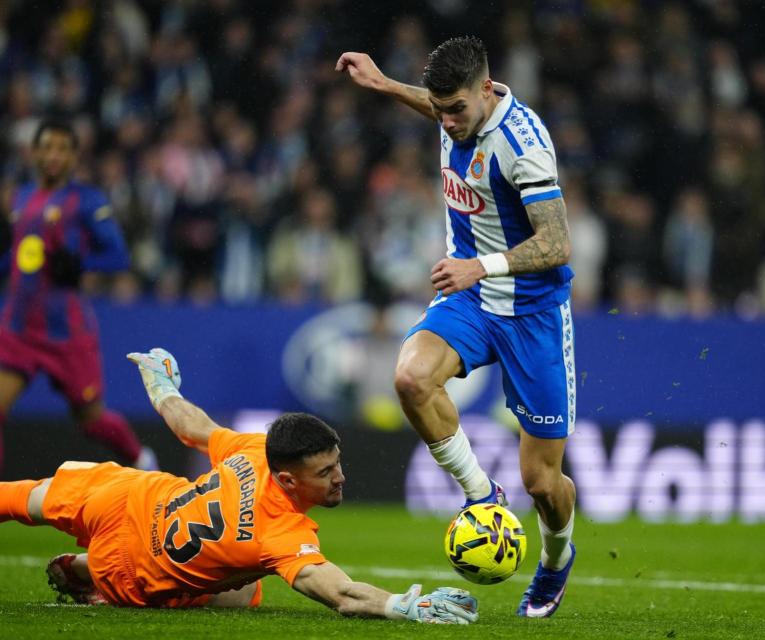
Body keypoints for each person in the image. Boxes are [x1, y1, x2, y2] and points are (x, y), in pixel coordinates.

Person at [337, 36, 578, 618]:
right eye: (439, 109)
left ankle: (555, 559)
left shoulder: (524, 144)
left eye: (455, 110)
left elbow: (557, 243)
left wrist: (480, 265)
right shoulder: (458, 111)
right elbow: (439, 104)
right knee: (411, 379)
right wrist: (385, 84)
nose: (445, 122)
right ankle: (481, 495)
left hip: (532, 312)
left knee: (543, 483)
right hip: (469, 301)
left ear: (487, 91)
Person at [0, 347, 478, 624]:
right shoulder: (282, 535)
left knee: (17, 497)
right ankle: (90, 572)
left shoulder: (255, 449)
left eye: (337, 464)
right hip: (130, 574)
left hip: (125, 497)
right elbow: (343, 594)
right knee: (245, 592)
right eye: (325, 473)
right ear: (287, 479)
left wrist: (161, 388)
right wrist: (404, 606)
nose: (340, 478)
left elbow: (193, 427)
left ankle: (87, 565)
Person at [0, 119, 156, 474]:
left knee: (91, 420)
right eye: (47, 147)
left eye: (62, 149)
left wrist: (79, 263)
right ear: (34, 153)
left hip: (65, 331)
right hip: (18, 327)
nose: (53, 156)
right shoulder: (21, 197)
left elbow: (119, 256)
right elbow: (19, 255)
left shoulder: (86, 200)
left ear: (74, 156)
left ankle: (141, 459)